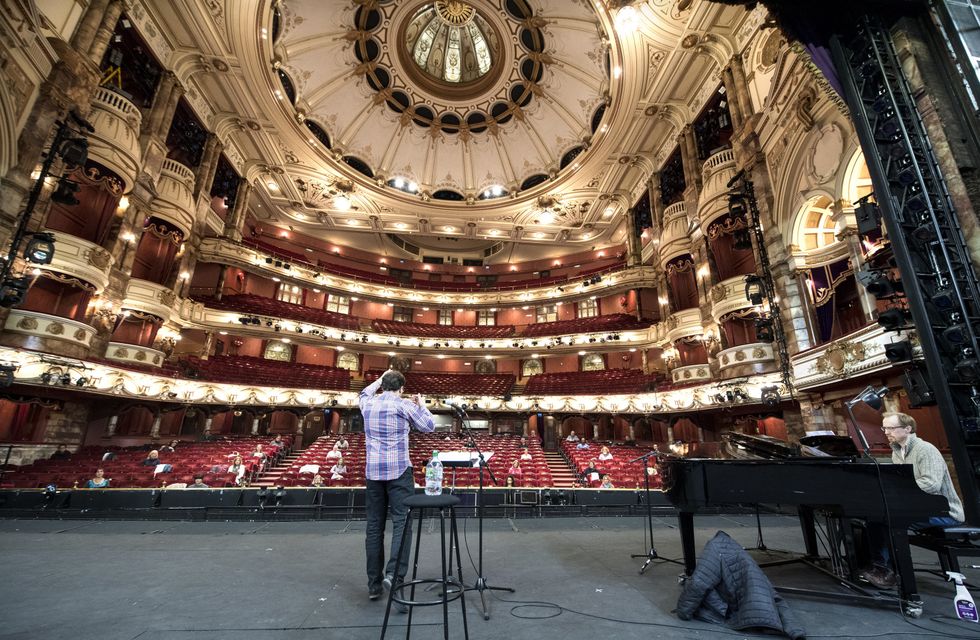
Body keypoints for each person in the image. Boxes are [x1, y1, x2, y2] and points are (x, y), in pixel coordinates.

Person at [861, 412, 965, 589]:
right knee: (874, 518)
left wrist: (897, 492)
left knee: (889, 520)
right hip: (919, 507)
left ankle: (889, 572)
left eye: (891, 428)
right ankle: (878, 566)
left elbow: (931, 484)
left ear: (908, 429)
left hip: (945, 512)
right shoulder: (898, 451)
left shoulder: (926, 449)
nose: (886, 432)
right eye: (884, 428)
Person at [360, 370, 435, 605]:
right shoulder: (404, 405)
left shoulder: (367, 403)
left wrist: (380, 379)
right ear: (401, 388)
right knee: (402, 523)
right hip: (399, 471)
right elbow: (429, 426)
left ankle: (374, 585)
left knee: (374, 527)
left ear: (383, 385)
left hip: (373, 472)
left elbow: (363, 392)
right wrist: (421, 405)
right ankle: (394, 577)